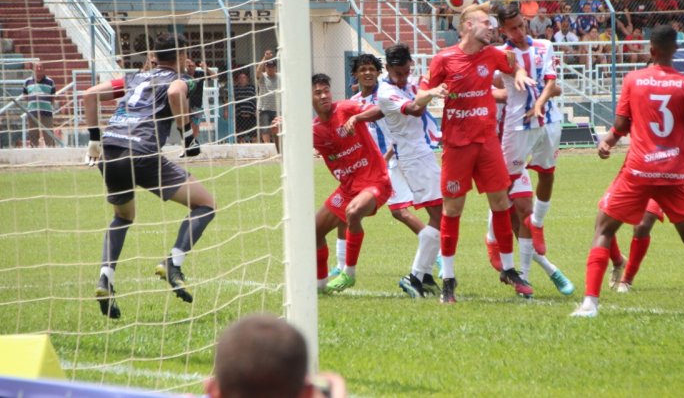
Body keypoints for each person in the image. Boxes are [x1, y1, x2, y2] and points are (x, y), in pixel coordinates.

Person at [571, 25, 684, 318]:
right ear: (676, 50)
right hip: (674, 174)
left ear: (651, 50)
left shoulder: (634, 79)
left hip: (640, 169)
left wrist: (607, 141)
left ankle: (590, 304)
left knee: (603, 229)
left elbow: (621, 125)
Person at [83, 34, 215, 319]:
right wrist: (188, 138)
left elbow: (90, 94)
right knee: (205, 204)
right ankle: (173, 262)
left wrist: (93, 141)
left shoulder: (134, 78)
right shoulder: (178, 78)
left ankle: (105, 277)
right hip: (142, 153)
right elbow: (174, 94)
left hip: (110, 151)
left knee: (123, 217)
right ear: (180, 56)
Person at [414, 2, 534, 303]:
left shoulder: (492, 55)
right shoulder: (444, 59)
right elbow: (419, 97)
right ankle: (449, 279)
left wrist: (518, 73)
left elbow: (512, 63)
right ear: (468, 26)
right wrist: (430, 93)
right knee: (453, 211)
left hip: (487, 143)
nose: (491, 27)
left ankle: (508, 269)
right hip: (457, 145)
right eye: (485, 22)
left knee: (501, 201)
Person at [484, 3, 574, 297]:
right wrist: (513, 84)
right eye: (513, 28)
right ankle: (494, 239)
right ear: (502, 30)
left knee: (547, 176)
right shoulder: (499, 55)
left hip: (548, 122)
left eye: (522, 25)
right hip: (515, 130)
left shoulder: (544, 45)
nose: (520, 32)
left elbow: (552, 84)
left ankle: (535, 228)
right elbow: (503, 81)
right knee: (504, 189)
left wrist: (538, 102)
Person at [327, 54, 427, 279]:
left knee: (400, 211)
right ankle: (341, 265)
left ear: (378, 72)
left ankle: (436, 252)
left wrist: (385, 156)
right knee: (345, 210)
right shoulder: (353, 101)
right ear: (355, 74)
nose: (368, 73)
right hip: (364, 168)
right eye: (363, 69)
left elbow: (393, 131)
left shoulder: (384, 96)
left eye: (372, 69)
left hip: (386, 164)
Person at [312, 73, 392, 293]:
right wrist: (281, 133)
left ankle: (349, 273)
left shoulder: (346, 108)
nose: (324, 95)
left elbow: (381, 109)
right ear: (309, 97)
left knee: (353, 212)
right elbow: (288, 155)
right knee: (314, 232)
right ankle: (319, 285)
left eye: (326, 90)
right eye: (318, 92)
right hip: (347, 187)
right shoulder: (314, 130)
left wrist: (358, 118)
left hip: (376, 180)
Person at [377, 44, 444, 298]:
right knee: (441, 217)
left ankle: (423, 275)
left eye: (406, 71)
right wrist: (433, 92)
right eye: (398, 73)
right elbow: (415, 109)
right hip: (413, 158)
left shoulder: (410, 84)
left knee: (441, 217)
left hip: (421, 154)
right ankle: (415, 276)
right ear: (388, 69)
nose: (403, 77)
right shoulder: (386, 92)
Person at [205, 314, 346, 398]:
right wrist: (337, 387)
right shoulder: (309, 392)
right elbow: (334, 385)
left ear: (212, 389)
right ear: (307, 393)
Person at [23, 62, 56, 147]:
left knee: (49, 135)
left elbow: (52, 97)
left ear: (44, 69)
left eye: (41, 67)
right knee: (33, 135)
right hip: (32, 113)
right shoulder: (27, 81)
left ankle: (52, 153)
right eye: (37, 67)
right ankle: (33, 152)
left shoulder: (50, 82)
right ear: (33, 69)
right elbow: (25, 96)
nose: (39, 69)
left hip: (46, 113)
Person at [256, 50, 281, 150]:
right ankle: (267, 149)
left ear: (275, 68)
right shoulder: (262, 77)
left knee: (278, 129)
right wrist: (265, 58)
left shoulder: (280, 76)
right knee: (265, 130)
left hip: (277, 109)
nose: (270, 69)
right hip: (264, 108)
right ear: (265, 68)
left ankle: (278, 149)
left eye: (272, 67)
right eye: (268, 67)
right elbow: (258, 71)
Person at [184, 58, 208, 141]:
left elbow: (215, 76)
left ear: (195, 67)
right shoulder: (183, 75)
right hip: (186, 105)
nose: (190, 67)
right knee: (187, 126)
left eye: (192, 66)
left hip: (197, 105)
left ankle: (193, 141)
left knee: (196, 126)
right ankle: (188, 143)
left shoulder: (200, 74)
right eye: (189, 66)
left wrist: (206, 69)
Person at [234, 71, 257, 143]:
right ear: (237, 79)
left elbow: (256, 99)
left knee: (254, 135)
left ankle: (255, 150)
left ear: (247, 79)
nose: (242, 79)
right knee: (240, 136)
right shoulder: (235, 88)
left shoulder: (252, 87)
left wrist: (257, 110)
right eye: (240, 78)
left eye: (244, 77)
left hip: (251, 115)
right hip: (239, 115)